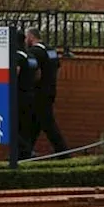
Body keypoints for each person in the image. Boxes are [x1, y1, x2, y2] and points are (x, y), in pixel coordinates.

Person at [25, 27, 69, 157]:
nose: (26, 40)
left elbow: (34, 71)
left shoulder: (35, 51)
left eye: (27, 37)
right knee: (35, 122)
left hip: (39, 93)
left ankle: (63, 152)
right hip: (51, 90)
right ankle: (26, 151)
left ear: (32, 37)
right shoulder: (51, 50)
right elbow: (56, 67)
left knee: (47, 123)